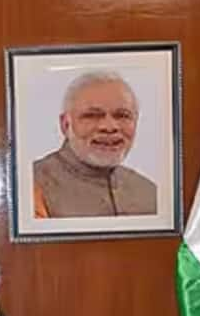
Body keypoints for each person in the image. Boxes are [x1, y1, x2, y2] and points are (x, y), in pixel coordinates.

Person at [32, 70, 158, 218]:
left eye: (122, 115)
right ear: (66, 125)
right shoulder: (31, 187)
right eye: (92, 116)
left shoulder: (149, 192)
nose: (109, 127)